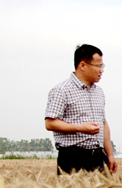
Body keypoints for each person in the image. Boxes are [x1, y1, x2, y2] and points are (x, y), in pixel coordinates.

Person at [45, 44, 117, 174]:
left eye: (102, 66)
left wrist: (110, 155)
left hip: (97, 156)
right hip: (73, 157)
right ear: (83, 65)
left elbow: (104, 124)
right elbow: (50, 123)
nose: (101, 70)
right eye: (98, 66)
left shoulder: (99, 92)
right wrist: (80, 128)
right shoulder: (62, 90)